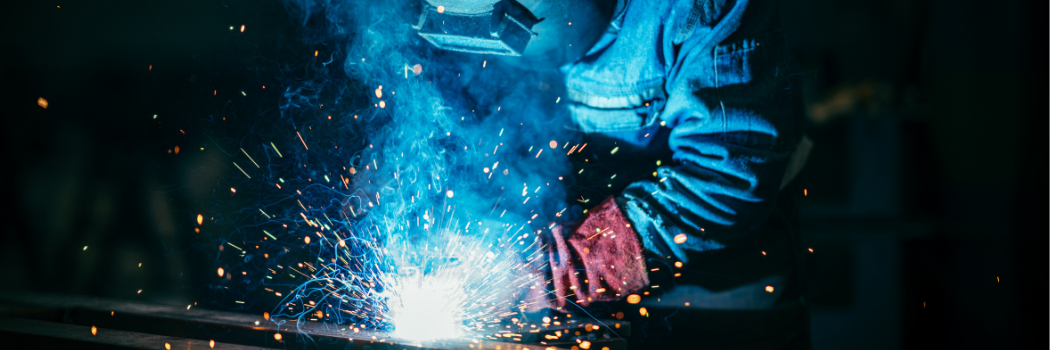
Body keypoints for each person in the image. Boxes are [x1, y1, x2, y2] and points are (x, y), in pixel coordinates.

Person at [418, 0, 811, 348]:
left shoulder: (691, 8)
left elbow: (730, 171)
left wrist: (570, 260)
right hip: (553, 296)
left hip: (715, 288)